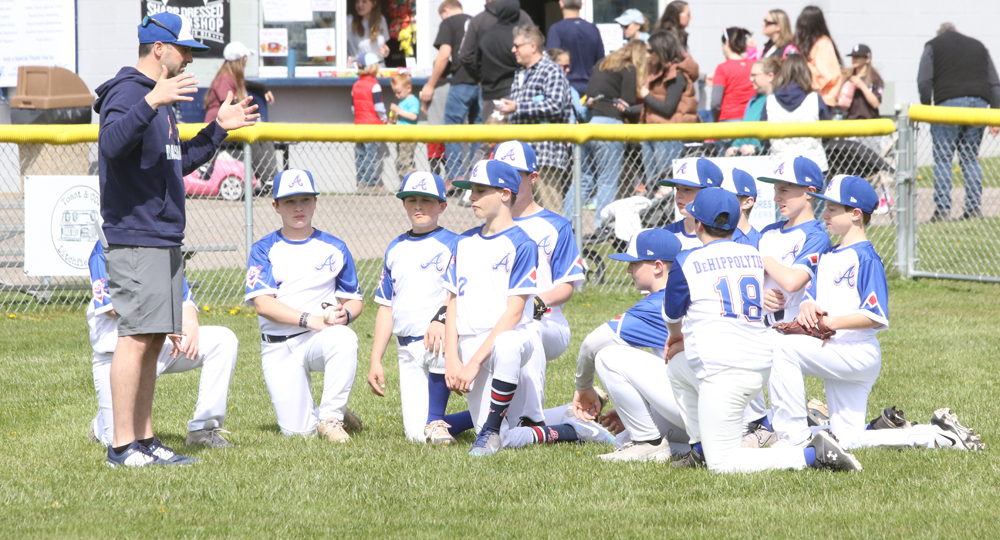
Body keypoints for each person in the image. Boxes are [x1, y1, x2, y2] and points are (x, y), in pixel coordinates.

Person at [93, 12, 256, 467]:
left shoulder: (161, 99)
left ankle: (144, 439)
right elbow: (110, 144)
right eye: (185, 50)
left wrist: (219, 128)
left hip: (163, 233)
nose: (190, 59)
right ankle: (121, 445)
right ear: (159, 49)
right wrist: (151, 101)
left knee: (151, 340)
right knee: (135, 337)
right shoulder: (129, 92)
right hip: (137, 233)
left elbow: (175, 164)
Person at [769, 175, 985, 452]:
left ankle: (792, 438)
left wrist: (831, 322)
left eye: (833, 209)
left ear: (856, 214)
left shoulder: (866, 257)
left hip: (857, 352)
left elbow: (875, 315)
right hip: (837, 350)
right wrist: (806, 305)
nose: (825, 214)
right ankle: (937, 436)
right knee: (849, 439)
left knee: (781, 347)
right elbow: (811, 297)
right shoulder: (828, 255)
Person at [663, 187, 862, 473]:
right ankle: (699, 448)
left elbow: (672, 315)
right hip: (760, 365)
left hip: (725, 371)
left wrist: (675, 336)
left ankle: (811, 455)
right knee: (678, 366)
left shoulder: (686, 261)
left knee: (723, 465)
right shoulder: (753, 255)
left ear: (699, 225)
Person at [245, 169, 365, 443]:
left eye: (305, 199)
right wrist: (310, 319)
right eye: (289, 201)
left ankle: (331, 417)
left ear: (315, 202)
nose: (299, 207)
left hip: (318, 340)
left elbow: (354, 300)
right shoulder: (264, 248)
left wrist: (345, 314)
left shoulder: (334, 247)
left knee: (344, 337)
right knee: (298, 433)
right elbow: (263, 304)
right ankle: (329, 411)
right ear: (275, 206)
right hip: (279, 346)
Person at [86, 242, 237, 450]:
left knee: (223, 340)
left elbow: (183, 297)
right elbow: (112, 307)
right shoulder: (105, 246)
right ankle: (102, 422)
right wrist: (163, 319)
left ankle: (203, 429)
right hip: (117, 355)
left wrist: (191, 324)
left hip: (161, 346)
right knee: (115, 440)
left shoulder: (159, 240)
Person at [444, 160, 540, 456]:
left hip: (509, 341)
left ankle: (491, 430)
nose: (471, 197)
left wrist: (472, 364)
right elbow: (452, 302)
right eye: (471, 190)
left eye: (480, 190)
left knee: (508, 343)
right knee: (509, 436)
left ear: (505, 193)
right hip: (470, 343)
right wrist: (452, 359)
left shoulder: (523, 244)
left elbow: (514, 313)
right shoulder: (463, 241)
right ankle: (569, 427)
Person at [368, 172, 471, 444]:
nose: (418, 205)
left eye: (427, 200)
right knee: (416, 438)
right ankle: (475, 416)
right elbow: (385, 307)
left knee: (440, 343)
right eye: (411, 199)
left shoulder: (455, 244)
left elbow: (463, 295)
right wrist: (376, 359)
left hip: (441, 342)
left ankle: (454, 418)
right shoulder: (396, 248)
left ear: (442, 206)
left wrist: (442, 319)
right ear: (403, 204)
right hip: (406, 348)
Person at [574, 229, 691, 461]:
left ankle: (648, 443)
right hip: (730, 406)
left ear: (658, 266)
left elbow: (591, 344)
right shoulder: (695, 291)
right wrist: (637, 407)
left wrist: (583, 386)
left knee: (608, 356)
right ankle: (686, 449)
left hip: (698, 404)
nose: (628, 270)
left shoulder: (659, 302)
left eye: (634, 263)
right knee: (624, 439)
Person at [493, 141, 584, 425]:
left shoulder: (555, 225)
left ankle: (533, 422)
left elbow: (566, 287)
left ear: (533, 177)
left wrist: (536, 304)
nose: (507, 181)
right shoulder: (488, 229)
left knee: (527, 327)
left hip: (547, 323)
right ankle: (566, 416)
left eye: (516, 174)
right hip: (498, 318)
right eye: (500, 173)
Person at [917, 23, 1000, 222]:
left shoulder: (933, 45)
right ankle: (973, 209)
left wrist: (927, 107)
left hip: (948, 104)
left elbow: (924, 80)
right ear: (958, 32)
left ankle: (943, 211)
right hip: (979, 105)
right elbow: (994, 81)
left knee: (944, 158)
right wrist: (996, 114)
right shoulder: (978, 45)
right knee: (970, 157)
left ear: (940, 34)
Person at [564, 40, 646, 223]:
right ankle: (601, 228)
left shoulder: (602, 64)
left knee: (583, 180)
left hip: (590, 126)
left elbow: (591, 95)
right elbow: (627, 102)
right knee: (607, 181)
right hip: (611, 127)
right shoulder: (629, 67)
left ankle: (566, 224)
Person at [497, 23, 572, 212]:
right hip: (518, 154)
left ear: (532, 47)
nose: (513, 50)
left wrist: (517, 107)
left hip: (545, 155)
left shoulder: (551, 70)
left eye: (517, 45)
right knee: (517, 210)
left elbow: (555, 105)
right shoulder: (520, 73)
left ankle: (556, 242)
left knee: (549, 210)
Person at [204, 41, 278, 187]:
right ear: (241, 59)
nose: (246, 61)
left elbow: (248, 84)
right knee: (254, 140)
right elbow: (228, 109)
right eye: (245, 58)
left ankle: (272, 178)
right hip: (219, 128)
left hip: (232, 125)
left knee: (266, 137)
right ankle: (269, 180)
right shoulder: (224, 79)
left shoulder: (235, 78)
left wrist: (264, 89)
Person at [426, 1, 480, 185]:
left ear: (446, 11)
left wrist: (430, 85)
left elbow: (443, 55)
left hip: (461, 83)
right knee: (478, 132)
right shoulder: (476, 21)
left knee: (451, 129)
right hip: (481, 83)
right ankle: (476, 177)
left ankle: (455, 178)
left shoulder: (449, 22)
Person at [640, 30, 699, 189]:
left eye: (650, 51)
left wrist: (645, 96)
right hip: (652, 132)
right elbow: (655, 105)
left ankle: (670, 214)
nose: (647, 55)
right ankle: (655, 213)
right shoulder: (657, 72)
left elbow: (667, 109)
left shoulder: (677, 75)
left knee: (666, 183)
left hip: (668, 135)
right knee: (653, 185)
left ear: (661, 50)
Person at [459, 0, 532, 123]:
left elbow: (466, 56)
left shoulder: (482, 28)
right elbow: (535, 52)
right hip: (519, 92)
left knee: (492, 137)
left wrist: (481, 77)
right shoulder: (522, 31)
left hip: (490, 92)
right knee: (518, 137)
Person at [761, 54, 831, 173]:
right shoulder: (815, 98)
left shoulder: (770, 100)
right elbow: (828, 132)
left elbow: (763, 137)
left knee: (782, 191)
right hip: (813, 165)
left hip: (781, 166)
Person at [657, 157, 723, 251]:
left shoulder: (727, 235)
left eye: (687, 189)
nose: (679, 195)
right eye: (677, 189)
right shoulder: (668, 234)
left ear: (709, 192)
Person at [545, 0, 604, 97]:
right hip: (589, 88)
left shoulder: (556, 29)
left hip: (565, 88)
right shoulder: (593, 29)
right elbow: (601, 61)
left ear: (561, 4)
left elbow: (551, 61)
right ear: (581, 5)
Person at [725, 57, 778, 157]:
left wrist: (757, 148)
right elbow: (744, 129)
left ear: (770, 76)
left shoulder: (777, 101)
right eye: (751, 75)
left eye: (755, 75)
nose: (751, 79)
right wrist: (735, 146)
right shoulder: (753, 101)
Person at [352, 53, 387, 193]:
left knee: (360, 154)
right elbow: (379, 107)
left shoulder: (355, 85)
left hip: (359, 125)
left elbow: (353, 108)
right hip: (372, 126)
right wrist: (384, 119)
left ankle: (361, 183)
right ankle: (371, 184)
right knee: (371, 155)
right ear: (372, 67)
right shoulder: (375, 85)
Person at [794, 5, 842, 108]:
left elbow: (825, 75)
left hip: (823, 100)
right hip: (810, 99)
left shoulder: (823, 43)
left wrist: (802, 65)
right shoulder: (811, 45)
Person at [712, 27, 755, 123]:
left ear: (726, 43)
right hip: (750, 120)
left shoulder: (722, 68)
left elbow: (715, 103)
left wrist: (715, 120)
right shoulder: (754, 65)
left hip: (728, 121)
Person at [839, 44, 883, 120]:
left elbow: (875, 103)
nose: (854, 59)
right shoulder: (849, 77)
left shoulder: (874, 78)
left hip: (869, 120)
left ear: (867, 59)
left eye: (858, 57)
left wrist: (861, 85)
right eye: (853, 57)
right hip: (852, 120)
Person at [389, 73, 420, 178]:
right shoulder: (402, 101)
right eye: (395, 93)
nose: (397, 95)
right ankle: (408, 183)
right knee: (401, 161)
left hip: (408, 136)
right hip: (401, 136)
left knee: (405, 162)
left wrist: (398, 110)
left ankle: (413, 182)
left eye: (399, 92)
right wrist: (394, 120)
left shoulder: (413, 101)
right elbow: (401, 118)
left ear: (408, 88)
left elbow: (413, 116)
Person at [722, 168, 762, 248]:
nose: (718, 201)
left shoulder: (762, 243)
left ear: (747, 202)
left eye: (726, 197)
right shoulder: (705, 235)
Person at [547, 49, 588, 123]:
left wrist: (589, 107)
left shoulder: (571, 90)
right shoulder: (543, 87)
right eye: (565, 67)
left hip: (569, 132)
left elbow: (581, 115)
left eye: (569, 66)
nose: (568, 70)